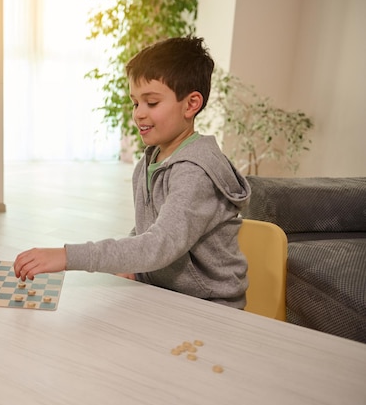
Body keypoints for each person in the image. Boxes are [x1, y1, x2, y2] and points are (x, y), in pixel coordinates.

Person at [13, 37, 252, 308]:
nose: (138, 113)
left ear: (190, 104)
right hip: (164, 293)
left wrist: (68, 256)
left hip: (211, 306)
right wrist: (134, 263)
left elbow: (159, 244)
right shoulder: (149, 162)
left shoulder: (195, 174)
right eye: (135, 102)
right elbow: (148, 229)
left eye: (151, 103)